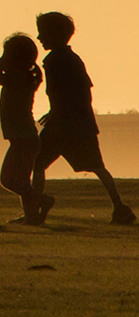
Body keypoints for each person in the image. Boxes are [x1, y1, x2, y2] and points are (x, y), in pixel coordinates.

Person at [32, 12, 135, 225]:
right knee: (97, 166)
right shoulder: (73, 58)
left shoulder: (53, 60)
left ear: (54, 34)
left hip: (64, 125)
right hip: (81, 123)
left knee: (37, 162)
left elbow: (57, 93)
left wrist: (56, 116)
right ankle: (119, 206)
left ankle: (34, 210)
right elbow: (84, 92)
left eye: (42, 33)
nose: (39, 37)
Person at [0, 33, 54, 225]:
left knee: (7, 179)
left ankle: (44, 200)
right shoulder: (24, 76)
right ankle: (32, 217)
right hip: (26, 136)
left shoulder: (16, 78)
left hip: (22, 137)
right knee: (23, 181)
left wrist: (4, 57)